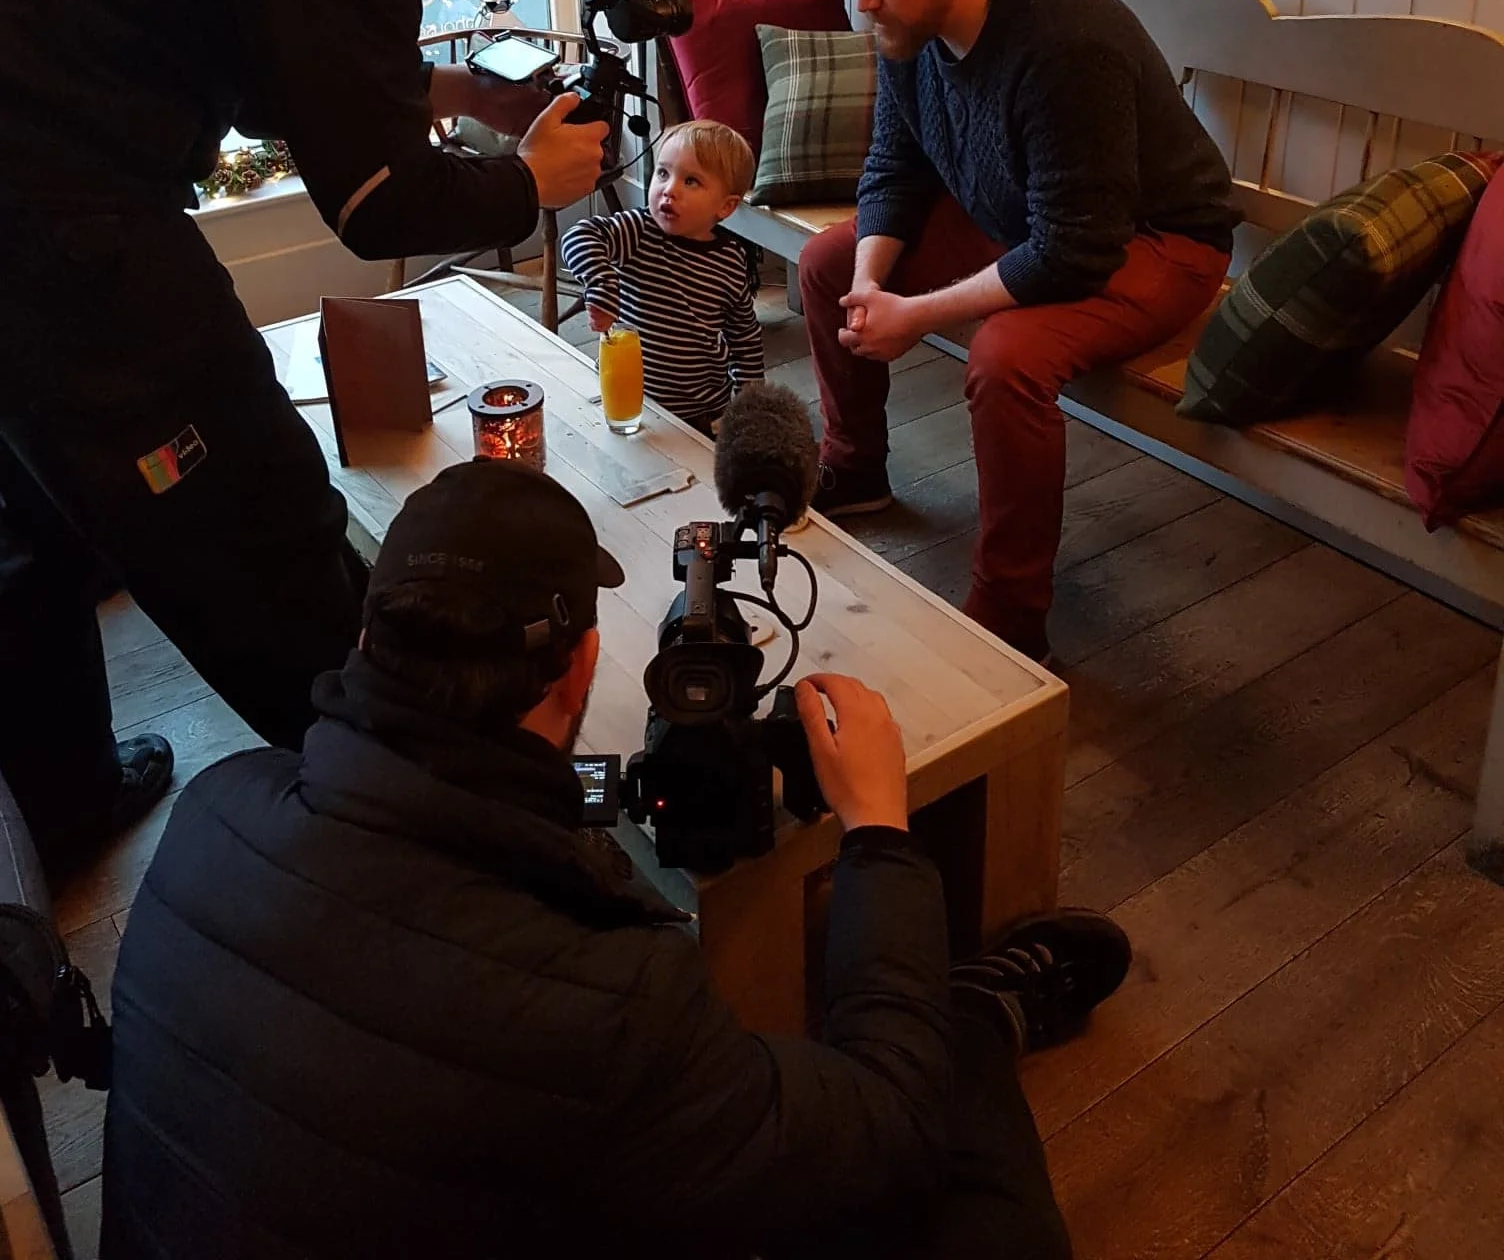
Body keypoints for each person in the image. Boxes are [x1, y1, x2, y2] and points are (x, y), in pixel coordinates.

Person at [101, 457, 1130, 1260]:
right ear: (583, 663)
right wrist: (877, 830)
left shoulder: (213, 813)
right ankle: (974, 1018)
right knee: (991, 1225)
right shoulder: (610, 1009)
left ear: (369, 637)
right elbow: (885, 1135)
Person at [0, 0, 609, 867]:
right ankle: (419, 837)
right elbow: (377, 205)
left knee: (33, 522)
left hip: (30, 179)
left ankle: (66, 799)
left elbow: (274, 62)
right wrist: (528, 183)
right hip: (50, 212)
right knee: (255, 513)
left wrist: (451, 95)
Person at [800, 0, 1236, 661]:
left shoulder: (1066, 45)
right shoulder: (910, 29)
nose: (865, 0)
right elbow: (895, 167)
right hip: (1029, 218)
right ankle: (854, 471)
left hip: (1154, 242)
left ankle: (1010, 616)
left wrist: (916, 314)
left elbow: (1075, 251)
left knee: (1006, 358)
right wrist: (870, 287)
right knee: (829, 263)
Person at [561, 119, 765, 434]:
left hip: (701, 410)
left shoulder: (731, 259)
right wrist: (602, 283)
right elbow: (578, 236)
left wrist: (751, 403)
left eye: (691, 181)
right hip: (628, 396)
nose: (669, 190)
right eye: (663, 173)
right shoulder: (639, 230)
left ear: (725, 206)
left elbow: (744, 337)